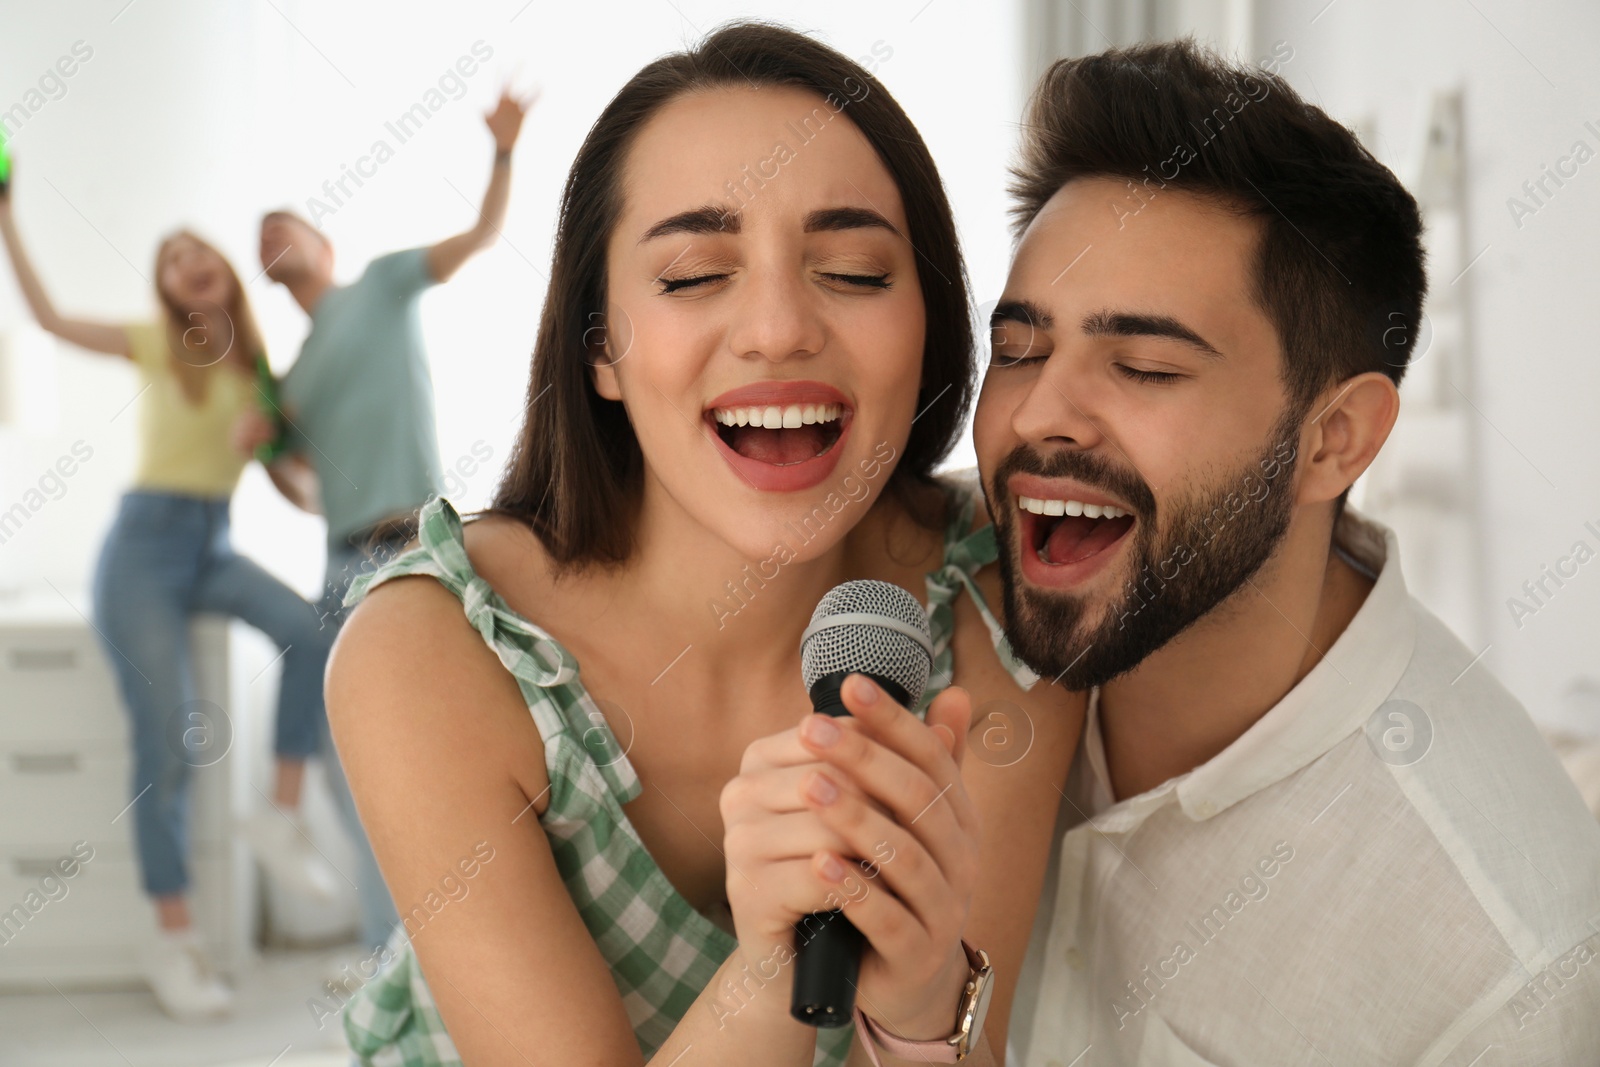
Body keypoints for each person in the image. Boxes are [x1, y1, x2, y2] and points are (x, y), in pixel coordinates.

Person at [326, 22, 1080, 1067]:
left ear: (929, 321)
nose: (777, 328)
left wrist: (918, 1004)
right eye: (690, 276)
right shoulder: (432, 648)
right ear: (599, 347)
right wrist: (776, 961)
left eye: (856, 271)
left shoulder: (1001, 608)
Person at [974, 40, 1600, 1065]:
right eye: (1019, 349)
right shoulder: (924, 599)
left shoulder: (1505, 961)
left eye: (1142, 366)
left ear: (1333, 440)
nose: (1040, 414)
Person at [0, 173, 340, 1020]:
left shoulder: (260, 371)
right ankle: (174, 937)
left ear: (224, 270)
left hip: (211, 544)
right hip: (144, 551)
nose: (187, 262)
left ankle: (280, 814)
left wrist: (297, 463)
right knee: (172, 746)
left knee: (309, 624)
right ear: (168, 287)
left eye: (197, 251)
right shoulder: (160, 343)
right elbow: (47, 319)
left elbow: (297, 492)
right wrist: (7, 214)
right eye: (171, 259)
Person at [234, 86, 534, 956]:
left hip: (421, 544)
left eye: (283, 226)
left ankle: (479, 946)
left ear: (325, 244)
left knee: (455, 744)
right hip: (341, 557)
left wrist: (505, 150)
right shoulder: (290, 383)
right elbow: (305, 492)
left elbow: (480, 237)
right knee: (359, 764)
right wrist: (263, 449)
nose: (269, 242)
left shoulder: (382, 284)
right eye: (261, 242)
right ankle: (384, 959)